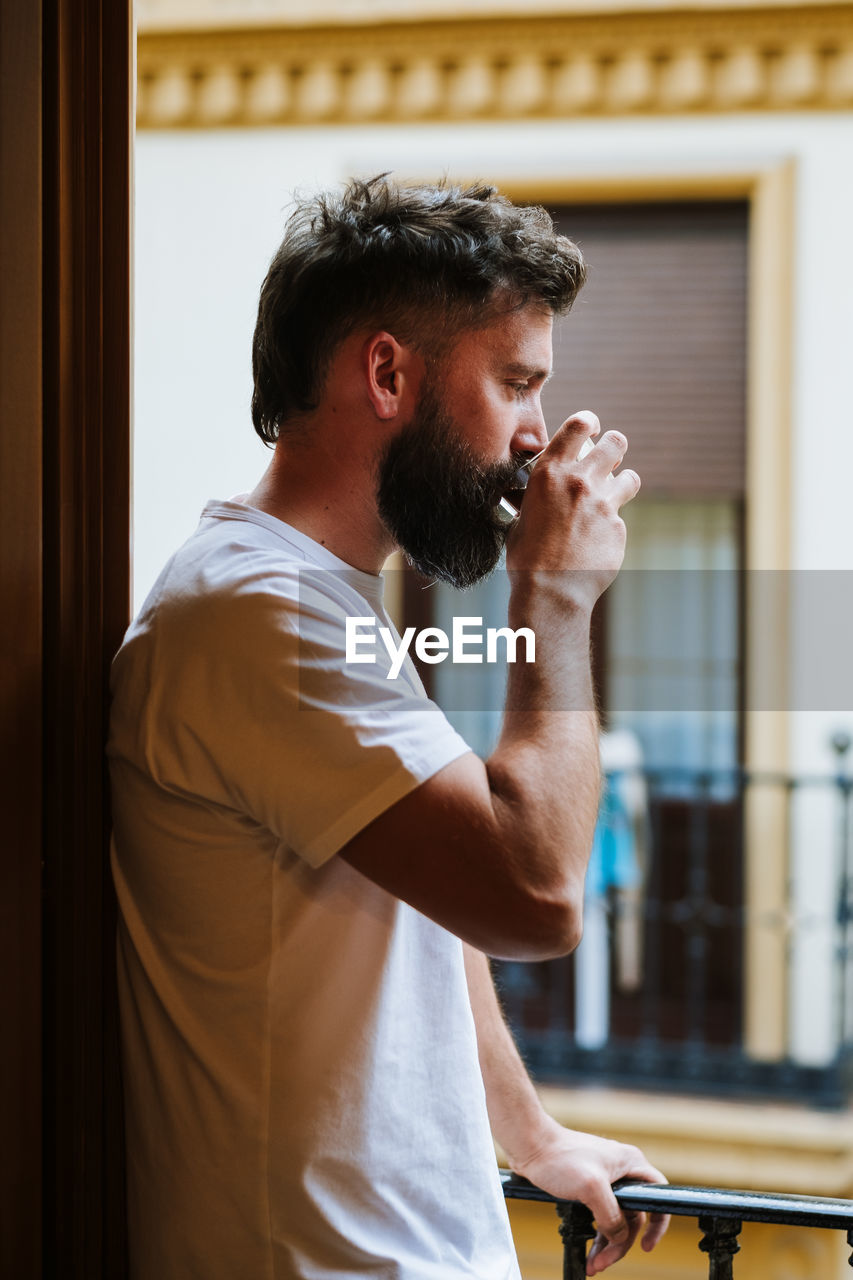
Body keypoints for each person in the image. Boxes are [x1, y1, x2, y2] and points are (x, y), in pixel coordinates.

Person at [108, 174, 668, 1280]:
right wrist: (553, 600)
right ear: (385, 372)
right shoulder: (251, 616)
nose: (536, 434)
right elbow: (536, 891)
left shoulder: (313, 600)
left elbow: (430, 881)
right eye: (514, 381)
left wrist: (530, 1130)